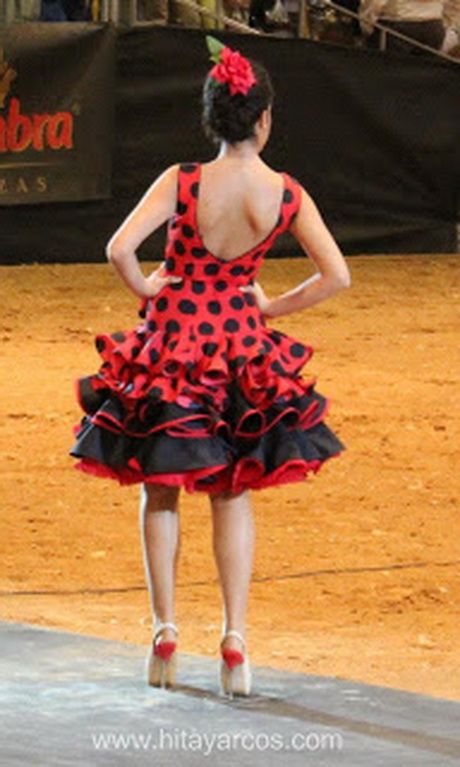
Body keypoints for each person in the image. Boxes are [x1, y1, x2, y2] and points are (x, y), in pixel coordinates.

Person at [70, 37, 350, 698]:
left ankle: (165, 632)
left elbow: (118, 249)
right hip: (241, 347)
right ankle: (235, 642)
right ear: (263, 118)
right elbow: (336, 275)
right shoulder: (284, 193)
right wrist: (271, 305)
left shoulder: (183, 181)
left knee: (159, 486)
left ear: (211, 116)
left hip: (171, 344)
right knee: (232, 490)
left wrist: (146, 289)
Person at [359, 0, 460, 53]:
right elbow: (455, 4)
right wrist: (447, 24)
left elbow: (374, 3)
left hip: (399, 26)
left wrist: (366, 26)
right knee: (426, 76)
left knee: (389, 75)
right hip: (433, 26)